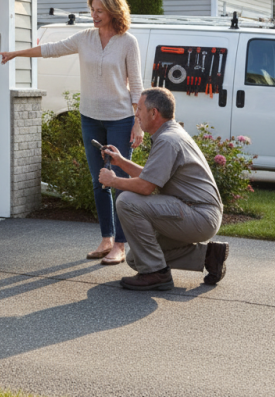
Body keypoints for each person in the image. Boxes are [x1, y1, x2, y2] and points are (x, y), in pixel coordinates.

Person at [0, 0, 143, 264]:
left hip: (121, 120)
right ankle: (106, 239)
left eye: (99, 11)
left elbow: (136, 85)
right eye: (92, 10)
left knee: (121, 182)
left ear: (113, 11)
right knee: (99, 180)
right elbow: (51, 49)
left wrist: (138, 124)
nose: (94, 15)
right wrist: (16, 54)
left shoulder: (127, 42)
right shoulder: (84, 38)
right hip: (90, 117)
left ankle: (121, 245)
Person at [98, 87, 229, 291]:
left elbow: (145, 186)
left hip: (199, 214)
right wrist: (121, 162)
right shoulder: (170, 133)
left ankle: (156, 274)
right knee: (136, 258)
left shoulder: (168, 140)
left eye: (139, 109)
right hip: (197, 212)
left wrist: (113, 180)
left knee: (126, 201)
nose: (137, 114)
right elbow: (152, 177)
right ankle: (209, 256)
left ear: (154, 112)